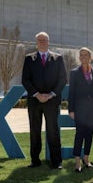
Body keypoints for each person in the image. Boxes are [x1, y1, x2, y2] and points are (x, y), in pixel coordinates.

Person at [22, 32, 67, 169]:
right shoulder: (29, 59)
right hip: (35, 101)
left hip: (52, 101)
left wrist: (51, 94)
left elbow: (62, 80)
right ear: (36, 42)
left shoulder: (58, 58)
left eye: (44, 40)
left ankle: (56, 162)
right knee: (35, 131)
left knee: (53, 131)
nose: (42, 42)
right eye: (39, 40)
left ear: (48, 42)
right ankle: (35, 161)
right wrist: (37, 94)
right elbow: (25, 80)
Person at [68, 47, 93, 172]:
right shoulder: (74, 73)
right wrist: (71, 109)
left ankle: (86, 159)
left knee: (89, 134)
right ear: (79, 58)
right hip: (79, 109)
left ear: (90, 57)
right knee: (79, 134)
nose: (83, 57)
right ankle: (77, 162)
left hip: (92, 110)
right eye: (81, 55)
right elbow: (71, 92)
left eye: (86, 55)